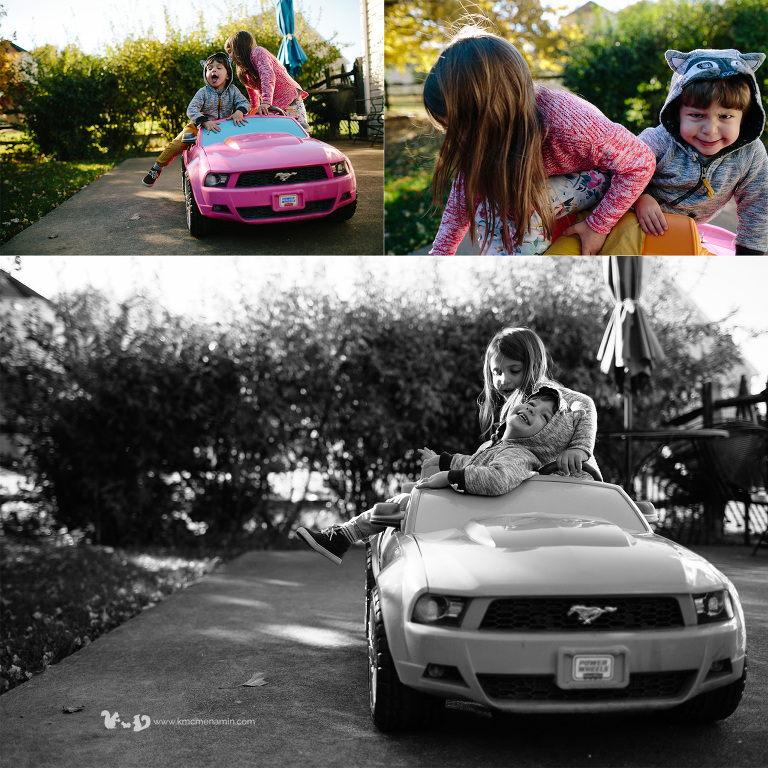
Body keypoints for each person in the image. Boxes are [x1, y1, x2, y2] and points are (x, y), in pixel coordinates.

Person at [424, 27, 657, 256]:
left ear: (502, 106)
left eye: (464, 127)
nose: (459, 140)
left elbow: (641, 162)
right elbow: (464, 195)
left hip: (600, 177)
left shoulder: (569, 124)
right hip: (545, 181)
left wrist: (598, 225)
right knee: (488, 206)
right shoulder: (480, 139)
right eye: (449, 129)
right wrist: (441, 254)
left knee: (522, 206)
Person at [297, 386, 586, 564]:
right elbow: (474, 461)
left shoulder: (520, 456)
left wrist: (449, 477)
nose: (532, 410)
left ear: (548, 437)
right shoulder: (500, 445)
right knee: (402, 500)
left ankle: (343, 537)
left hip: (463, 513)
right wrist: (444, 460)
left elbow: (497, 479)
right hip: (460, 509)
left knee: (401, 502)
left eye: (545, 417)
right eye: (532, 404)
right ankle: (343, 536)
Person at [633, 48, 767, 255]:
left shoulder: (751, 155)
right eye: (696, 115)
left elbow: (757, 206)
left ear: (744, 116)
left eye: (725, 117)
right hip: (634, 219)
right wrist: (639, 197)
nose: (710, 130)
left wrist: (751, 255)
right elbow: (619, 168)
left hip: (686, 234)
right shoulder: (658, 140)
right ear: (678, 112)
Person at [142, 53, 249, 188]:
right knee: (176, 144)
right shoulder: (203, 92)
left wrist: (239, 111)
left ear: (228, 75)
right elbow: (191, 109)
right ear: (206, 75)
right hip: (199, 126)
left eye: (218, 67)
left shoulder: (233, 90)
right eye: (209, 68)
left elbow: (244, 102)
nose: (213, 70)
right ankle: (156, 169)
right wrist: (204, 121)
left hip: (223, 127)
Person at [225, 30, 310, 131]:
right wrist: (254, 107)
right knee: (278, 132)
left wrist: (265, 102)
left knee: (298, 129)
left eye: (230, 52)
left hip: (289, 96)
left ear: (239, 47)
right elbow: (251, 89)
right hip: (274, 102)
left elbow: (267, 75)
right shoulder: (244, 70)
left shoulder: (257, 52)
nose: (230, 56)